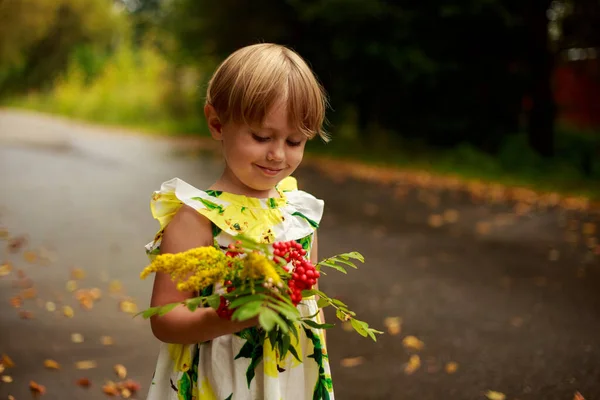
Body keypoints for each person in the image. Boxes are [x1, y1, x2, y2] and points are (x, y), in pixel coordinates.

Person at [144, 43, 334, 400]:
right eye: (261, 137)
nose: (277, 154)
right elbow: (164, 320)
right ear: (217, 123)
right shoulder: (197, 218)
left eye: (295, 141)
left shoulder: (298, 212)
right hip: (220, 381)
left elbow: (310, 302)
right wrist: (231, 316)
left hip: (290, 375)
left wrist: (319, 372)